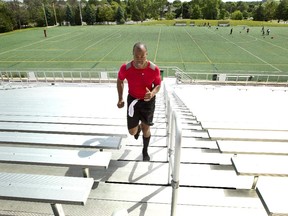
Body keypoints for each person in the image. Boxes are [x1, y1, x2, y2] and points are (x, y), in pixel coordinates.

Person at [117, 42, 161, 161]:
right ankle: (138, 128)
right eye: (137, 56)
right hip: (133, 100)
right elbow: (120, 80)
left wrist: (152, 93)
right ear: (133, 54)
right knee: (132, 132)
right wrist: (120, 98)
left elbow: (158, 85)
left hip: (148, 102)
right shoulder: (126, 68)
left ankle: (145, 150)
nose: (139, 59)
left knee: (146, 128)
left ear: (147, 54)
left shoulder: (154, 69)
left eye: (142, 56)